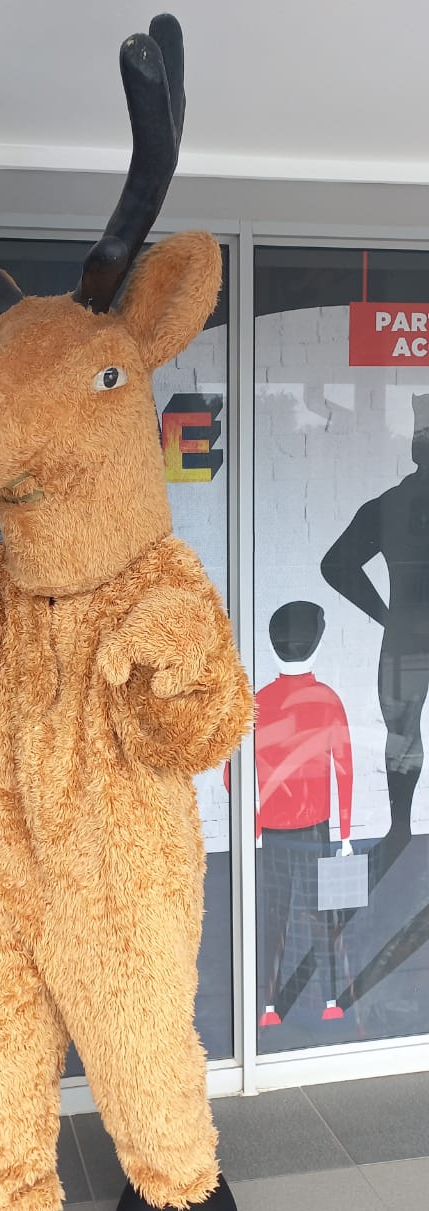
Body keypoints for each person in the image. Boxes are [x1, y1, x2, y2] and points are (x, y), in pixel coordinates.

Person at [230, 601, 354, 1026]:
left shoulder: (259, 703)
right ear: (318, 644)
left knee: (274, 915)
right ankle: (331, 1000)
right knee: (324, 916)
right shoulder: (328, 700)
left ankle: (268, 1008)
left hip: (273, 832)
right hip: (317, 830)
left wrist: (255, 822)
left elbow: (232, 775)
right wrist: (345, 833)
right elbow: (345, 770)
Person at [321, 393, 429, 856]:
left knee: (402, 731)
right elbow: (336, 565)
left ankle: (401, 827)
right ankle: (400, 827)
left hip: (404, 632)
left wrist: (386, 616)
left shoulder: (389, 505)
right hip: (403, 631)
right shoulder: (388, 505)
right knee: (401, 732)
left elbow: (336, 565)